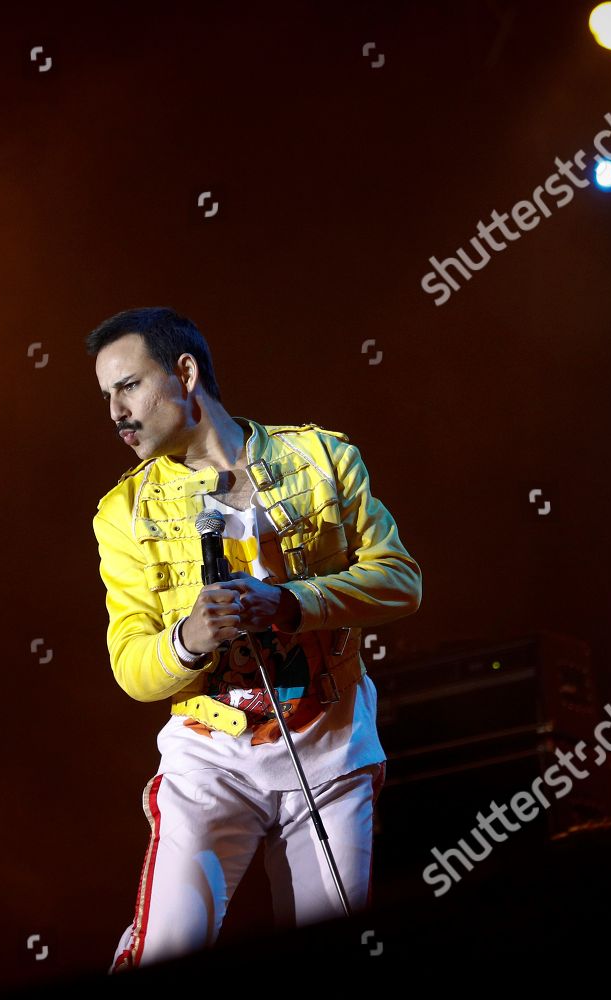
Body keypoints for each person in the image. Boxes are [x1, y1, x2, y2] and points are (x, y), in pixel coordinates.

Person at [87, 307, 421, 968]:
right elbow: (131, 664)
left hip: (330, 746)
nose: (116, 412)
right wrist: (188, 638)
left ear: (185, 373)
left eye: (128, 387)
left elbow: (400, 581)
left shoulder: (322, 457)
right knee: (167, 951)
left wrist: (291, 603)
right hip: (209, 760)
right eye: (106, 397)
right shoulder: (122, 512)